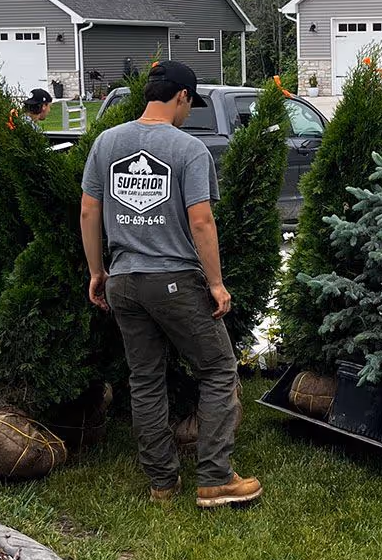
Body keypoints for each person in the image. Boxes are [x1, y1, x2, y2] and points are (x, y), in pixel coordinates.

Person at [79, 61, 261, 509]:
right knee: (218, 370)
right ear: (181, 97)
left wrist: (97, 272)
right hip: (175, 280)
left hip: (123, 279)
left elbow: (88, 213)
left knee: (144, 379)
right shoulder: (188, 149)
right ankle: (216, 478)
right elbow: (201, 221)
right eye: (189, 104)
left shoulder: (106, 143)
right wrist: (216, 284)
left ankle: (162, 483)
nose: (188, 112)